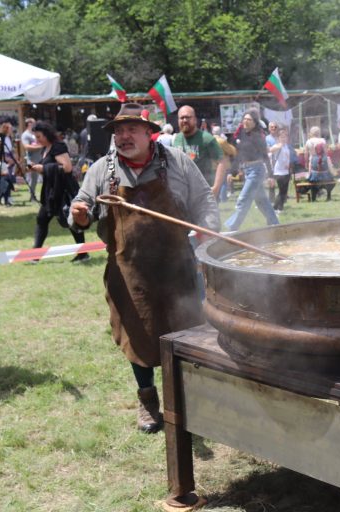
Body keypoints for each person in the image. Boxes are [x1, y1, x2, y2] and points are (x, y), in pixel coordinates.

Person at [68, 103, 219, 433]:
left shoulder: (178, 162)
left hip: (177, 267)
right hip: (129, 271)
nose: (123, 136)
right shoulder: (102, 170)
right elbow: (81, 207)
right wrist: (79, 214)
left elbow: (204, 200)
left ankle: (187, 399)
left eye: (131, 129)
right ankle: (148, 400)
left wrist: (208, 231)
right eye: (118, 131)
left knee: (187, 332)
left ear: (149, 133)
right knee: (137, 337)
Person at [27, 121, 89, 262]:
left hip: (63, 191)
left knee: (71, 221)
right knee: (42, 219)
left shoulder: (58, 146)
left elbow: (67, 167)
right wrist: (35, 168)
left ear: (47, 134)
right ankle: (35, 255)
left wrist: (43, 168)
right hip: (51, 191)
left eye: (39, 136)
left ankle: (83, 253)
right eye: (35, 137)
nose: (37, 140)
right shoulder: (45, 149)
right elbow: (49, 169)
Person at [225, 109, 280, 231]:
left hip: (256, 171)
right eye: (244, 119)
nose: (246, 121)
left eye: (249, 120)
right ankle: (275, 225)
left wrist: (271, 176)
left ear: (255, 123)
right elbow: (239, 154)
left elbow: (265, 156)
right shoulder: (241, 133)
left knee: (243, 199)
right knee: (262, 201)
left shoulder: (258, 136)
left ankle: (232, 228)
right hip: (247, 170)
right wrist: (231, 172)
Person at [173, 105, 226, 199]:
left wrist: (216, 188)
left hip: (204, 193)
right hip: (183, 193)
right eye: (182, 118)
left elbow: (222, 162)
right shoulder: (177, 139)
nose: (184, 120)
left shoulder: (206, 138)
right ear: (178, 120)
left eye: (188, 117)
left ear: (195, 120)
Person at [269, 127, 297, 212]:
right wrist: (278, 146)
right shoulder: (278, 145)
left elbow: (287, 157)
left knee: (284, 191)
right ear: (278, 138)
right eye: (282, 137)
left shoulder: (286, 146)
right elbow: (270, 150)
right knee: (282, 191)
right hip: (279, 172)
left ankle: (277, 208)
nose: (284, 138)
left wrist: (288, 165)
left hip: (286, 171)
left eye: (285, 137)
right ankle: (277, 208)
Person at [0, 121, 17, 206]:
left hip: (9, 159)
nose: (12, 130)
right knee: (6, 180)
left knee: (8, 180)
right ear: (6, 129)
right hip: (4, 160)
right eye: (10, 128)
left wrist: (13, 158)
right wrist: (6, 159)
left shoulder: (9, 138)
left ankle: (3, 197)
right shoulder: (1, 139)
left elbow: (10, 150)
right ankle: (5, 198)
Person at [21, 118, 43, 202]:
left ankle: (34, 196)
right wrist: (40, 146)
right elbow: (26, 146)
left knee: (36, 178)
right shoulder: (25, 135)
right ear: (29, 124)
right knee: (33, 178)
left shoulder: (34, 133)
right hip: (32, 160)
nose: (35, 124)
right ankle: (32, 196)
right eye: (34, 123)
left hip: (39, 158)